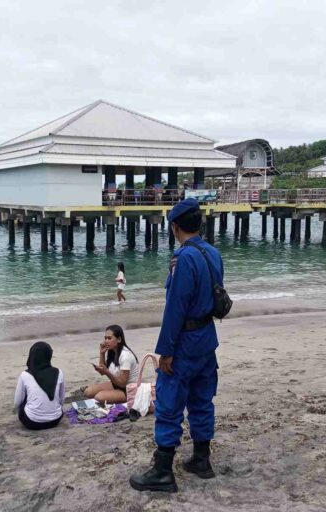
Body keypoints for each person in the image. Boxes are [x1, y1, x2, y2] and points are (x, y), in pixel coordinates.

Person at [130, 198, 222, 493]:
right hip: (207, 339)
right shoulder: (213, 253)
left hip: (183, 342)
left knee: (169, 405)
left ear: (175, 226)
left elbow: (175, 310)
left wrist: (165, 350)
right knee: (201, 400)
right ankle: (201, 459)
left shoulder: (182, 260)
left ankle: (162, 471)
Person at [14, 342, 65, 430]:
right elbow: (61, 400)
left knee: (26, 397)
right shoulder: (58, 372)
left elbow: (17, 402)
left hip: (32, 422)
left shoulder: (25, 375)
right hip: (56, 419)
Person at [84, 325, 139, 404]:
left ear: (119, 339)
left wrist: (107, 372)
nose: (106, 341)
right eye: (105, 338)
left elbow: (123, 383)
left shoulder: (126, 356)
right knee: (88, 392)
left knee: (99, 397)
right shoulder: (112, 352)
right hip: (116, 384)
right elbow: (102, 372)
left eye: (109, 338)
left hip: (128, 389)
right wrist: (102, 353)